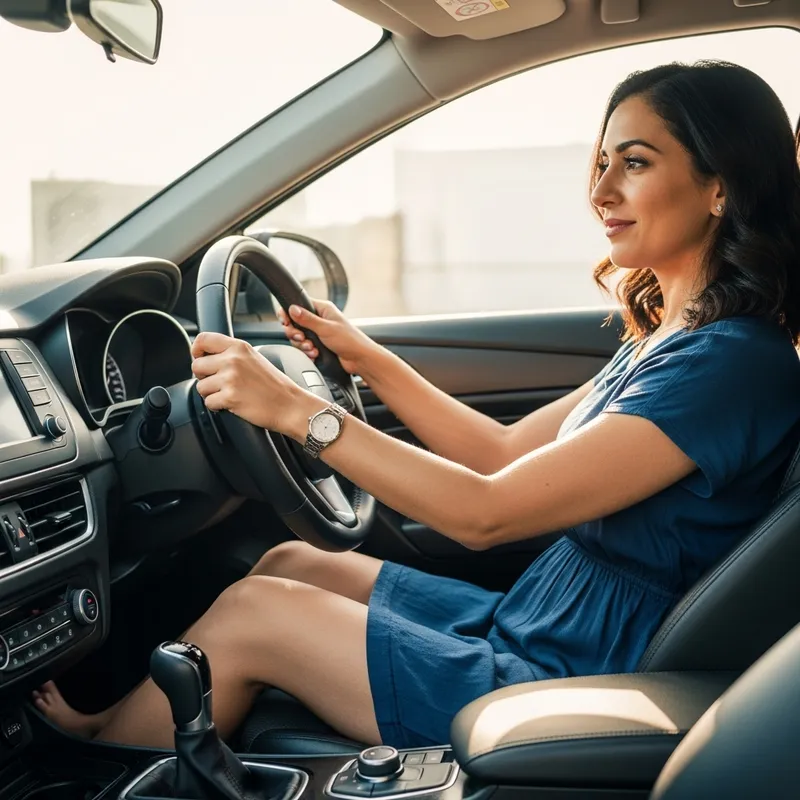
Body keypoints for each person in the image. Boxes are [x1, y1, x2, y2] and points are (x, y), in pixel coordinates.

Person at [34, 60, 800, 750]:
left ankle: (94, 765)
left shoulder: (729, 363)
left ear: (719, 185)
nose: (600, 192)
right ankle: (118, 728)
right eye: (601, 163)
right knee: (288, 562)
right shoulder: (669, 339)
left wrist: (297, 412)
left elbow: (486, 512)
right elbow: (504, 455)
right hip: (539, 623)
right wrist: (369, 360)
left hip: (575, 667)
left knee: (254, 616)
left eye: (633, 164)